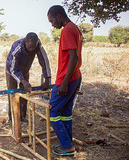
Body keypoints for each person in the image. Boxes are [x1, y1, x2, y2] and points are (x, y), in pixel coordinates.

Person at [47, 5, 82, 156]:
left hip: (66, 78)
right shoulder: (75, 28)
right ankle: (67, 144)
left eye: (52, 20)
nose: (52, 24)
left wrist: (64, 82)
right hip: (75, 76)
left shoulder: (67, 30)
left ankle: (67, 147)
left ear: (59, 16)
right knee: (66, 111)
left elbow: (74, 57)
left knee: (53, 111)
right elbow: (74, 57)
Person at [6, 32, 51, 122]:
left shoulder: (38, 46)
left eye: (34, 47)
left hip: (25, 70)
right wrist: (23, 81)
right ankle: (13, 118)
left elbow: (44, 62)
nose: (32, 49)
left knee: (25, 92)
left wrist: (47, 80)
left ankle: (22, 116)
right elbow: (13, 69)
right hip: (11, 71)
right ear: (25, 42)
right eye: (30, 47)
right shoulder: (17, 47)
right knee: (12, 93)